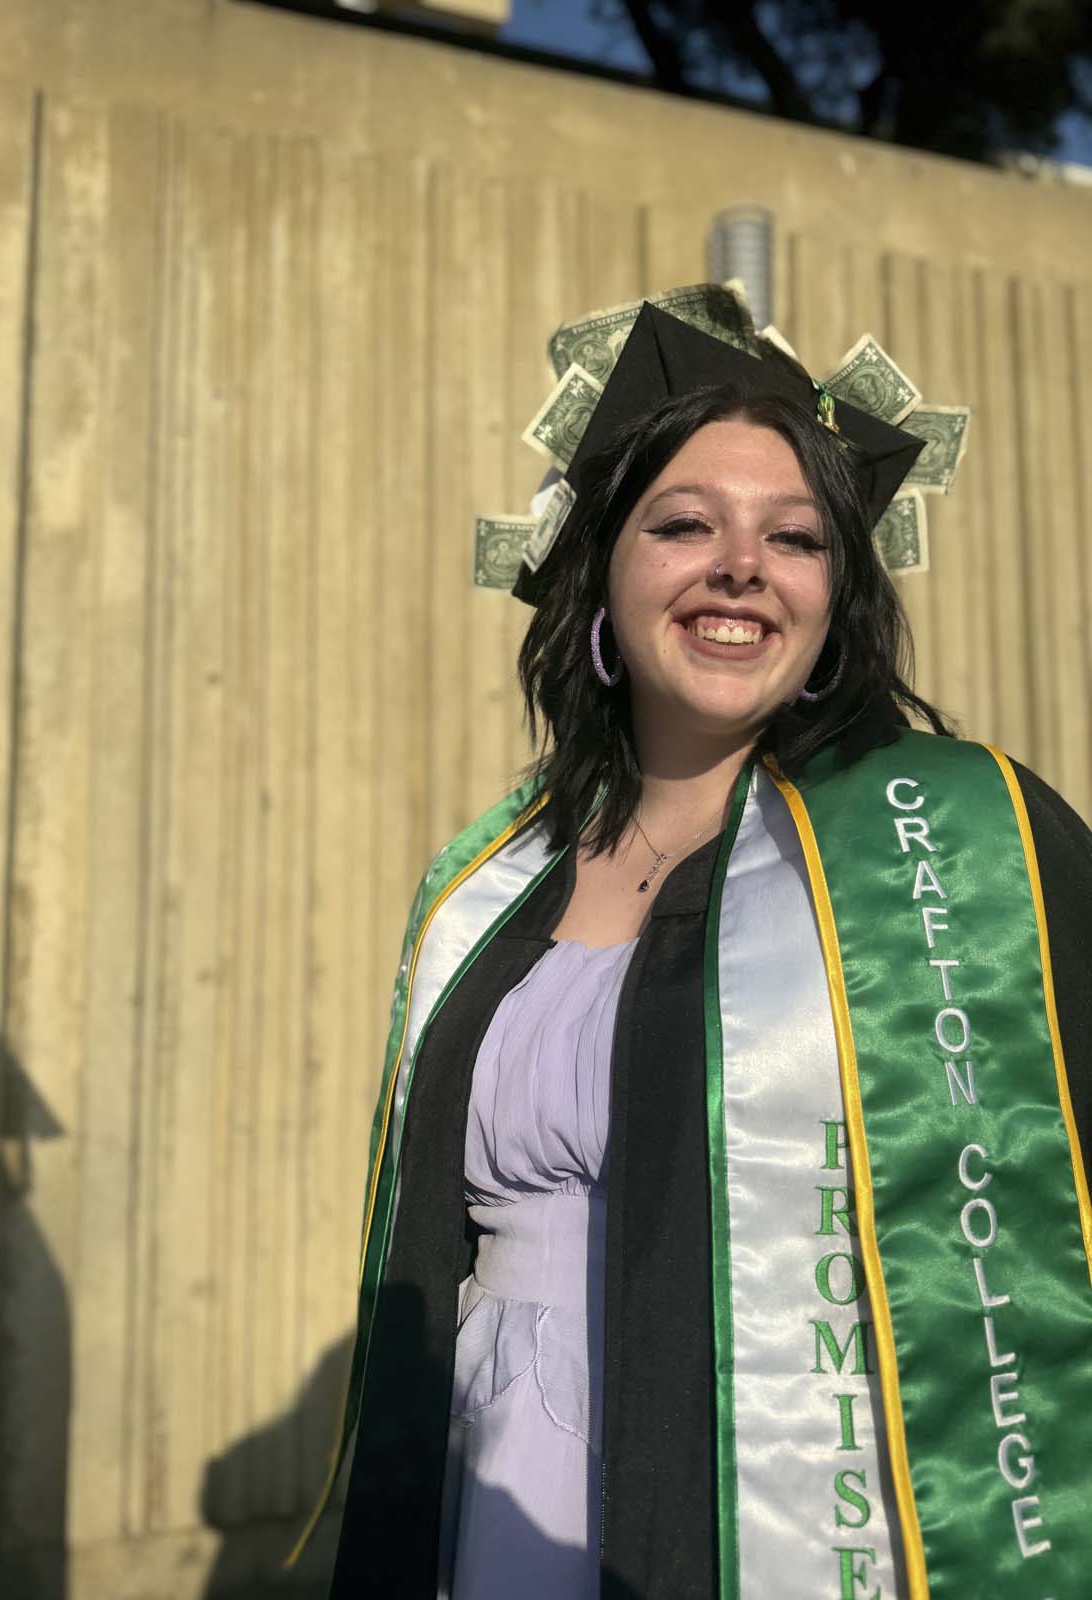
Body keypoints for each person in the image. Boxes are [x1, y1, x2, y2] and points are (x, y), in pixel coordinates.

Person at [295, 293, 1092, 1598]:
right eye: (683, 525)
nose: (741, 566)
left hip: (788, 1506)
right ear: (603, 569)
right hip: (492, 1490)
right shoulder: (496, 880)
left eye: (794, 537)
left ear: (837, 595)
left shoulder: (954, 842)